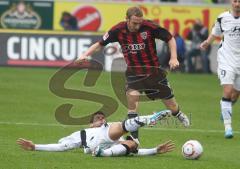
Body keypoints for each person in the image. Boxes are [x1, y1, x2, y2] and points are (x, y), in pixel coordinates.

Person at [75, 6, 190, 142]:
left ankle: (178, 113)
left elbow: (170, 38)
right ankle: (134, 140)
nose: (137, 25)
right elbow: (100, 43)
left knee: (172, 106)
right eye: (134, 23)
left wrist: (174, 57)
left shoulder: (149, 27)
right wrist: (85, 55)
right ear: (127, 20)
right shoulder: (117, 30)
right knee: (132, 106)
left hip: (153, 72)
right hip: (134, 73)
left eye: (139, 23)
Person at [17, 111, 175, 157]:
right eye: (97, 119)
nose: (101, 120)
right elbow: (62, 146)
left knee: (133, 144)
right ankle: (150, 118)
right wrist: (35, 146)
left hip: (104, 148)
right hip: (95, 142)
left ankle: (103, 154)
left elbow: (135, 152)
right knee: (118, 127)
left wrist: (155, 150)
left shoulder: (112, 131)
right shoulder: (84, 132)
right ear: (91, 124)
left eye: (102, 118)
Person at [200, 0, 240, 138]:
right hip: (226, 59)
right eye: (235, 1)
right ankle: (228, 128)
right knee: (227, 91)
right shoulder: (222, 17)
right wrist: (207, 42)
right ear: (231, 2)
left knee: (235, 94)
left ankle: (226, 109)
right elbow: (215, 32)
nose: (237, 4)